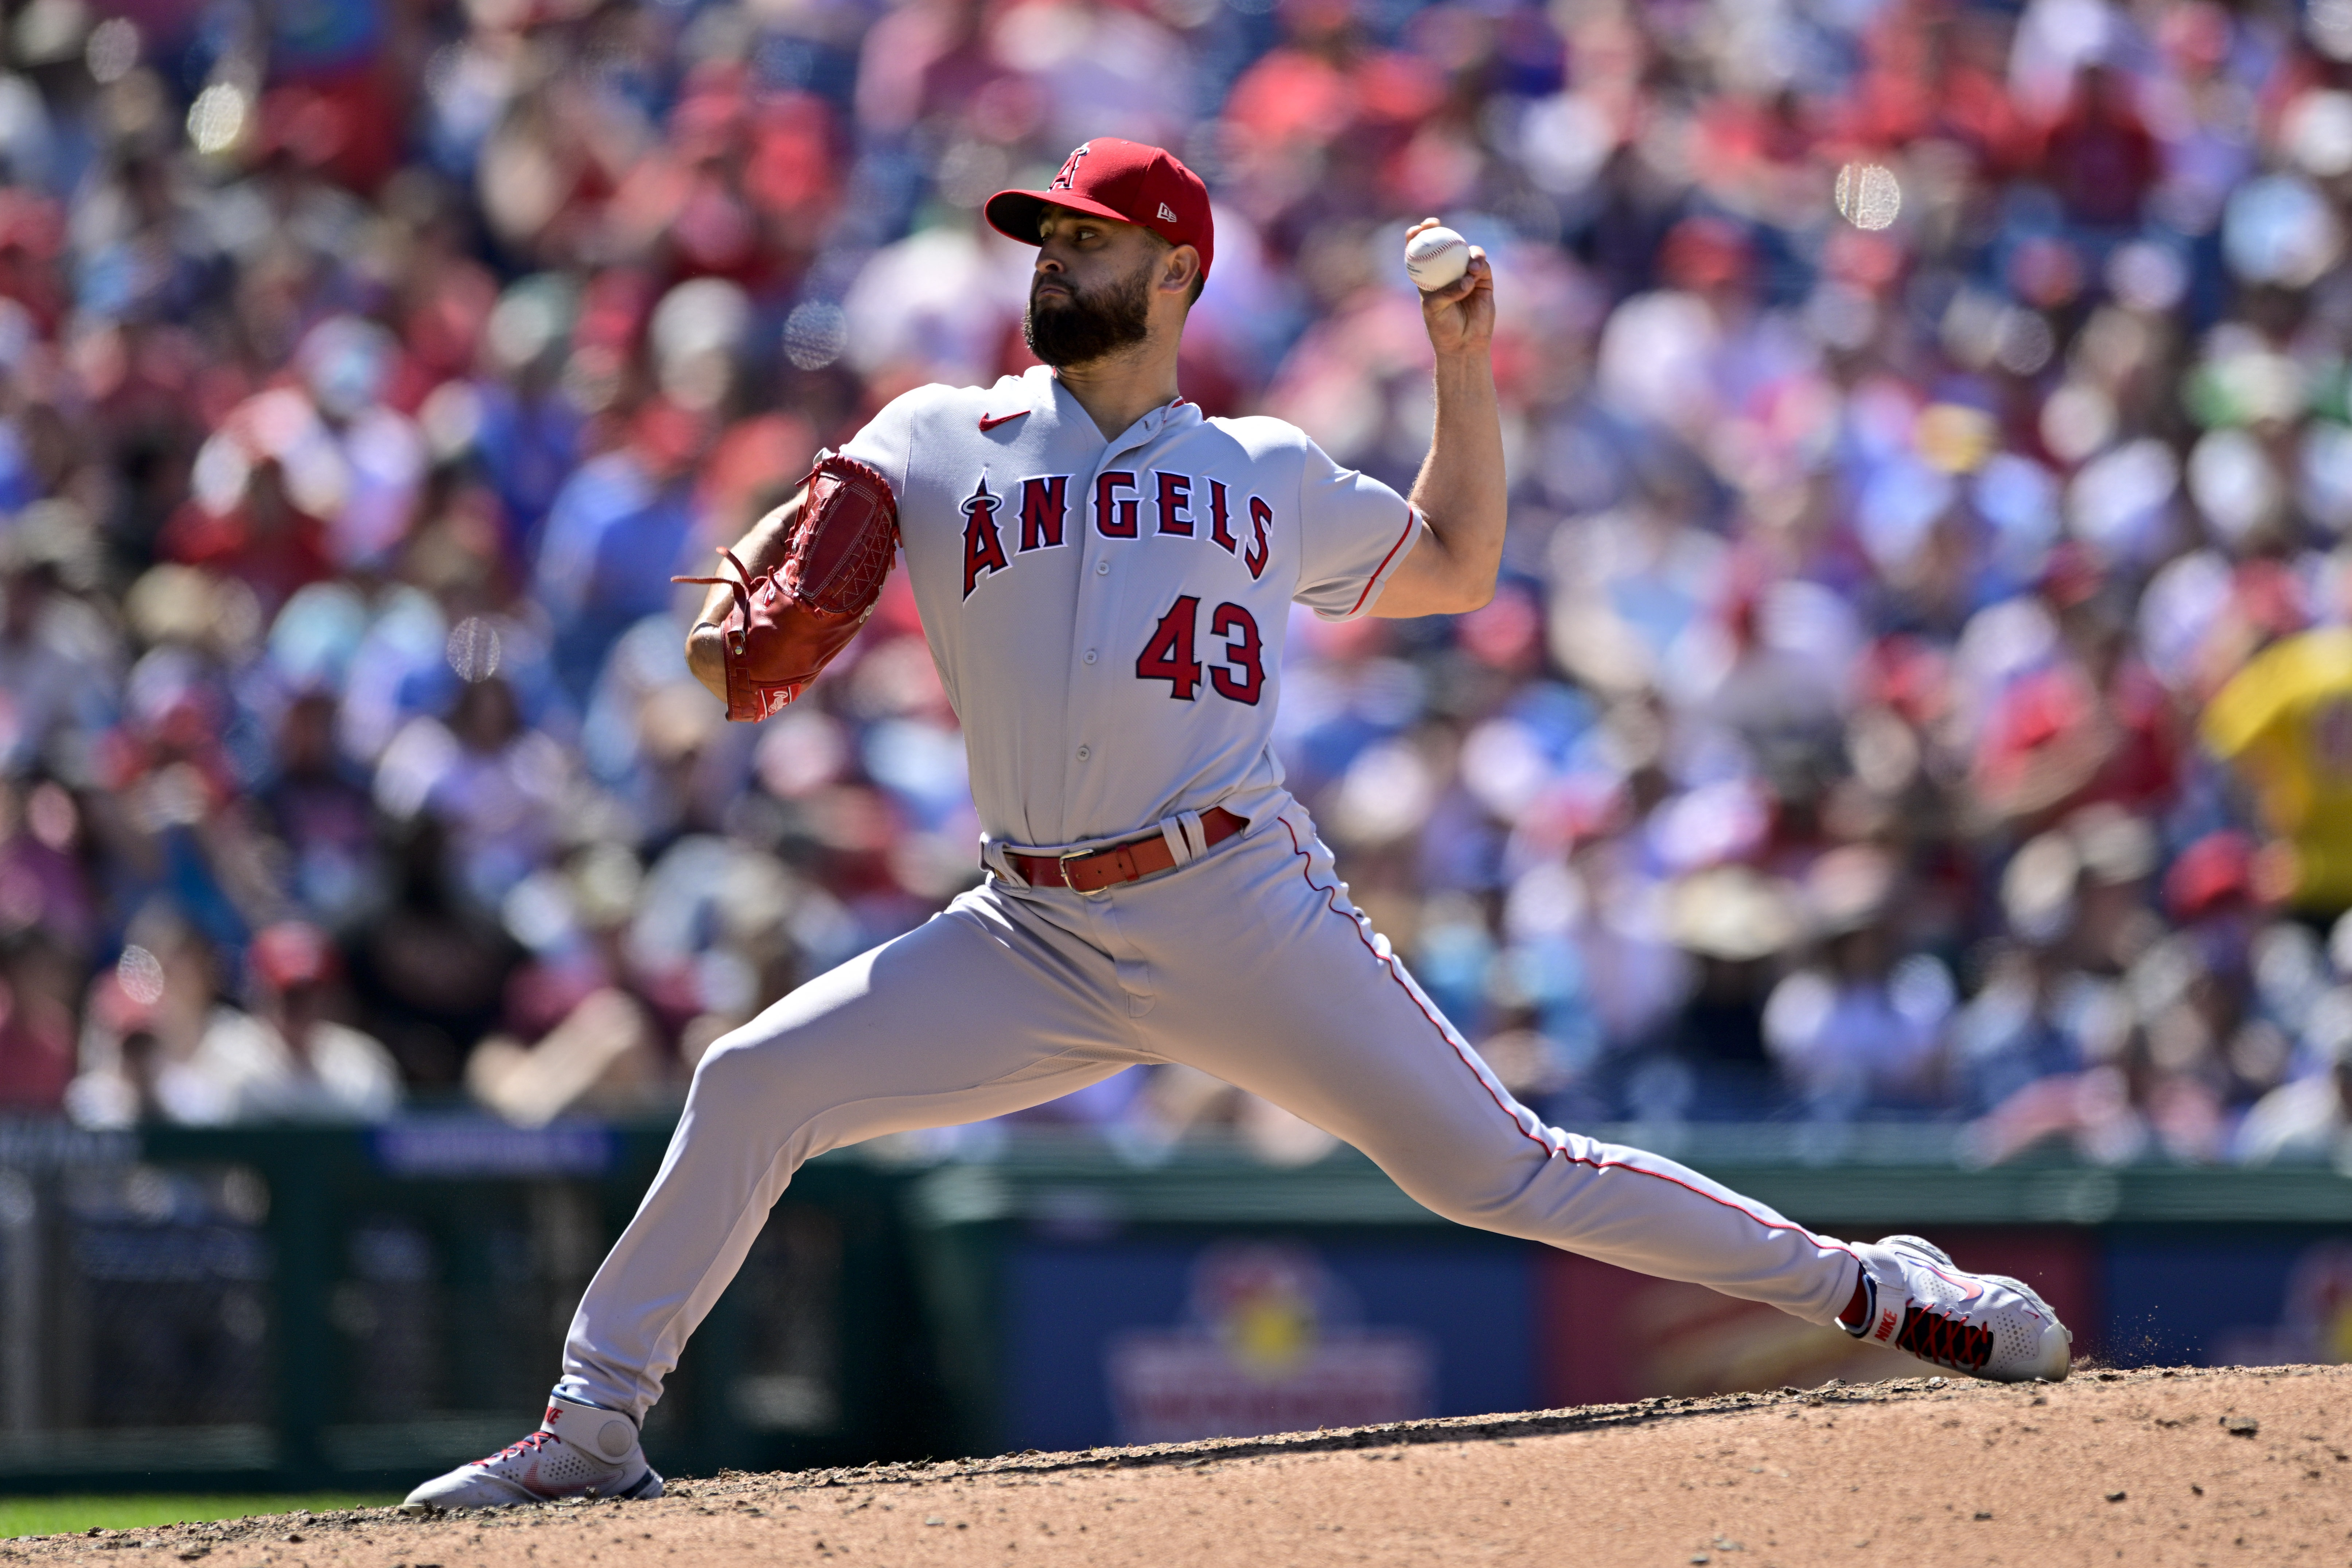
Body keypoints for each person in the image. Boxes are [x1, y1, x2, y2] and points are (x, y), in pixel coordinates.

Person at [402, 138, 2072, 1514]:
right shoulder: (941, 432)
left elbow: (1455, 565)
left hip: (1238, 903)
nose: (1051, 262)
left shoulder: (1260, 470)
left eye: (1088, 240)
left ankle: (1873, 1287)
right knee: (750, 1078)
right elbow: (806, 531)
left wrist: (1462, 370)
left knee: (1501, 1170)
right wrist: (741, 596)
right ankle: (593, 1426)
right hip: (1029, 929)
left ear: (1174, 274)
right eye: (1043, 238)